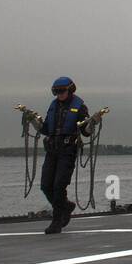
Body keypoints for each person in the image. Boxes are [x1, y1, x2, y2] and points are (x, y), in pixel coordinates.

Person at [35, 76, 89, 234]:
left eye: (62, 91)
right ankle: (66, 206)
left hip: (67, 151)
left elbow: (86, 132)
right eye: (56, 92)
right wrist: (33, 121)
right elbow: (45, 129)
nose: (59, 94)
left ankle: (57, 220)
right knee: (46, 185)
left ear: (70, 90)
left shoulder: (80, 107)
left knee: (59, 186)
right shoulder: (53, 106)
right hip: (52, 150)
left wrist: (93, 123)